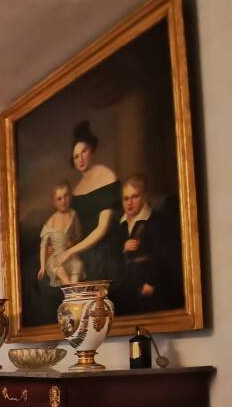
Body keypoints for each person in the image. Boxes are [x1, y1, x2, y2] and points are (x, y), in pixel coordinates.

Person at [45, 121, 121, 281]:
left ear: (91, 150)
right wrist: (58, 245)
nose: (80, 159)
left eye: (84, 151)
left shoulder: (106, 176)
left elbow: (102, 229)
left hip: (104, 248)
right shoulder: (76, 190)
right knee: (52, 266)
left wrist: (70, 252)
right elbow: (73, 229)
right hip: (81, 248)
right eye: (76, 156)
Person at [106, 175, 182, 315]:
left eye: (135, 197)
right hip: (127, 282)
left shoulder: (156, 221)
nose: (130, 203)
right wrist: (124, 247)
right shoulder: (120, 225)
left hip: (150, 282)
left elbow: (163, 256)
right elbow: (112, 255)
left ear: (144, 197)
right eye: (126, 198)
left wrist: (151, 282)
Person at [38, 180, 85, 287]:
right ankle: (72, 291)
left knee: (77, 266)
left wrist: (71, 243)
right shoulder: (52, 220)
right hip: (55, 258)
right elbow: (43, 245)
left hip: (69, 256)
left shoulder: (73, 215)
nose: (63, 201)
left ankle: (73, 293)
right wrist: (42, 267)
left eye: (66, 196)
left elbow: (78, 237)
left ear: (70, 196)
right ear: (54, 202)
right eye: (59, 199)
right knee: (61, 272)